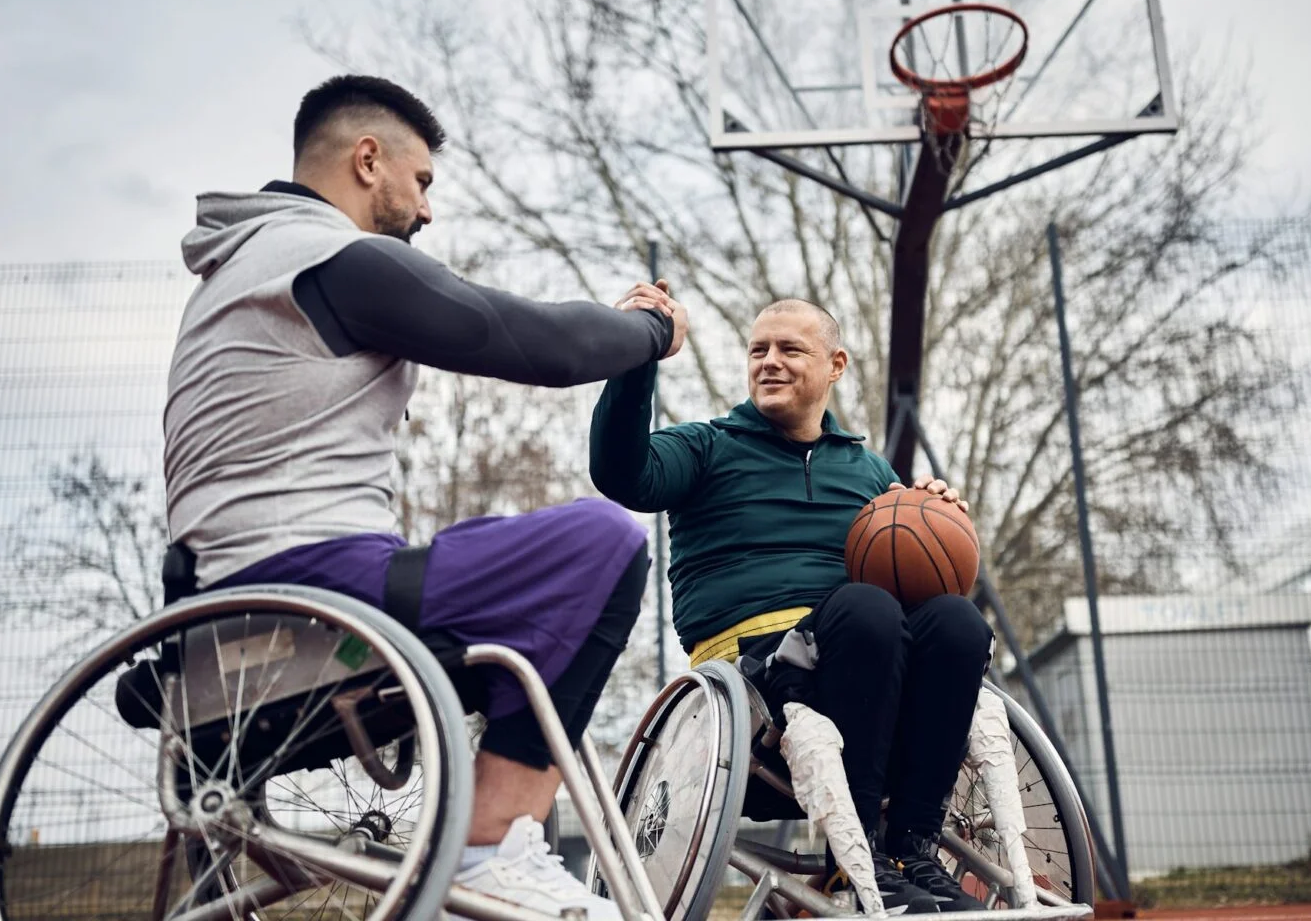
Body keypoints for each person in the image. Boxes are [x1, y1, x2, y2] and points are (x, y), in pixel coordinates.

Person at [164, 74, 688, 920]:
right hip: (307, 589)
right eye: (422, 181)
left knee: (504, 562)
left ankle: (499, 839)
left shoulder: (238, 274)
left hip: (217, 616)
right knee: (602, 541)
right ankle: (491, 846)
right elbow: (534, 342)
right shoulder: (328, 258)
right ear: (368, 160)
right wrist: (648, 331)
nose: (427, 209)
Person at [590, 295, 993, 914]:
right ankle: (854, 861)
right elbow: (621, 474)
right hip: (753, 679)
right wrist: (637, 355)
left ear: (836, 365)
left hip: (864, 665)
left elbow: (920, 581)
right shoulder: (706, 447)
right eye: (758, 350)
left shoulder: (869, 472)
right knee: (866, 609)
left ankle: (911, 852)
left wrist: (936, 518)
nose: (769, 361)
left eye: (790, 349)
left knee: (958, 621)